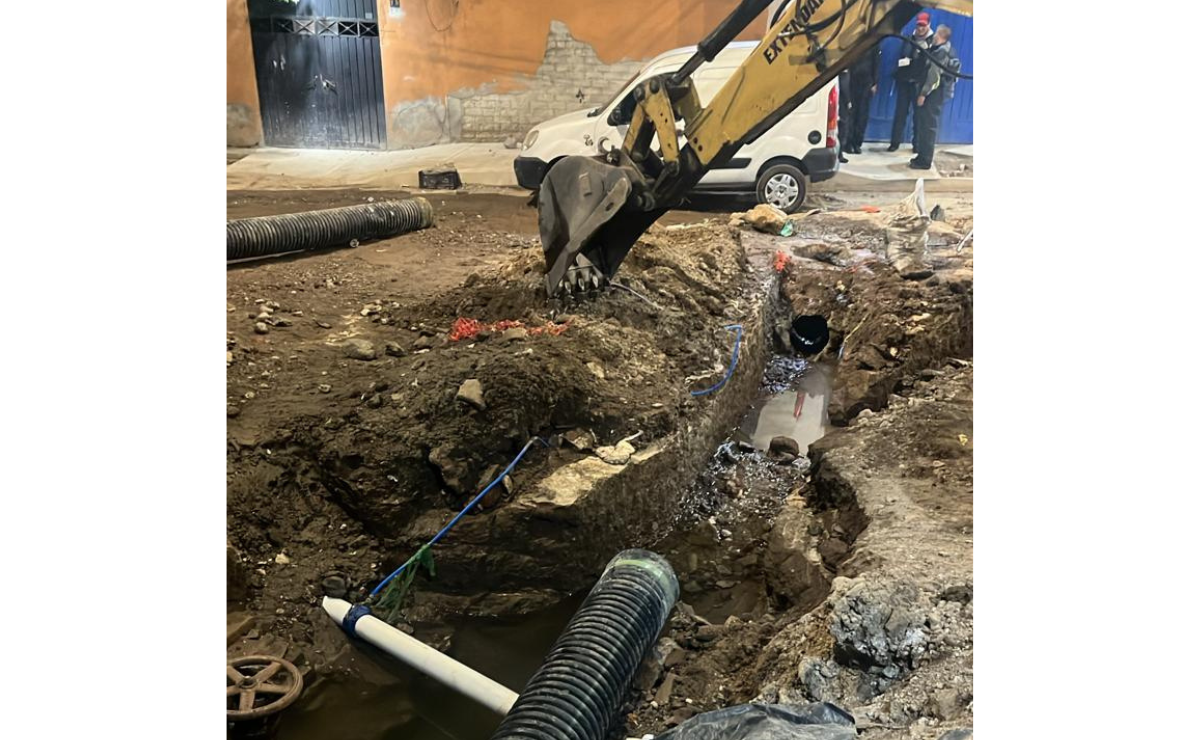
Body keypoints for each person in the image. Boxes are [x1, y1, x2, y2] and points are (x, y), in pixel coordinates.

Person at [887, 12, 934, 153]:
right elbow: (903, 56)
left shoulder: (932, 42)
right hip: (905, 82)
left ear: (929, 25)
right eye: (919, 25)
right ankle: (895, 143)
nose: (920, 28)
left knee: (918, 116)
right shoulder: (909, 39)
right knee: (900, 113)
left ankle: (917, 145)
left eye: (923, 25)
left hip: (919, 85)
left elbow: (931, 67)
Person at [911, 24, 954, 170]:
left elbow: (934, 77)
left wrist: (923, 93)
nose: (934, 35)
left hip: (934, 95)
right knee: (925, 126)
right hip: (934, 93)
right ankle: (921, 156)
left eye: (936, 34)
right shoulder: (939, 49)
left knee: (928, 128)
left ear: (941, 36)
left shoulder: (942, 52)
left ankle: (925, 161)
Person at [844, 44, 881, 154]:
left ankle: (857, 143)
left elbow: (876, 63)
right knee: (851, 113)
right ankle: (848, 143)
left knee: (862, 115)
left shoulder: (873, 43)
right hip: (851, 82)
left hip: (866, 83)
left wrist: (874, 82)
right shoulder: (852, 42)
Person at [837, 70, 851, 163]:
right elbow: (844, 88)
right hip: (842, 106)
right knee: (842, 129)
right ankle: (839, 154)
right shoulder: (843, 75)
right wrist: (849, 102)